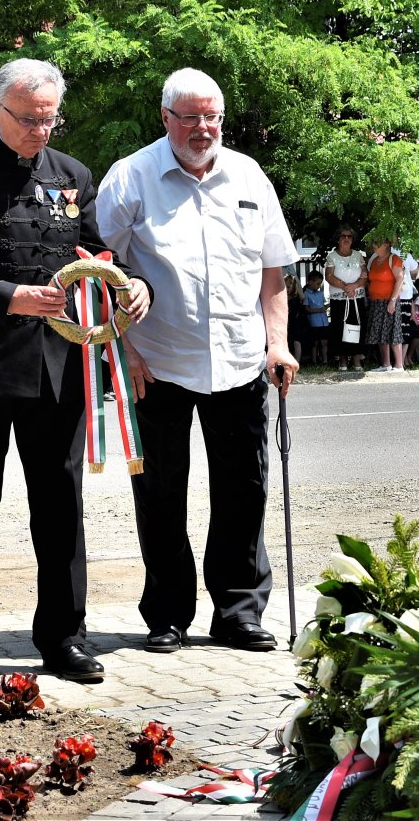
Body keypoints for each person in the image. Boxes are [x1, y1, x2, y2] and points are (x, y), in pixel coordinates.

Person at [0, 57, 149, 684]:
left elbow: (100, 250)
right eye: (28, 120)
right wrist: (9, 297)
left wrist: (132, 288)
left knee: (59, 500)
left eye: (50, 120)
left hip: (57, 367)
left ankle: (63, 636)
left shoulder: (73, 174)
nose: (41, 132)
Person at [97, 67, 298, 655]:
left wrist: (277, 343)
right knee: (159, 492)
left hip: (239, 360)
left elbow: (273, 272)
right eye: (190, 117)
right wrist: (124, 349)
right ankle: (167, 613)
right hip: (154, 362)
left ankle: (238, 612)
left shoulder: (249, 175)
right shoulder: (130, 177)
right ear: (166, 119)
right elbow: (98, 267)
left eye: (212, 116)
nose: (203, 128)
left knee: (244, 490)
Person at [324, 227, 366, 373]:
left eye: (349, 236)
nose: (346, 239)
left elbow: (365, 274)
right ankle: (342, 359)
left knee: (356, 327)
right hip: (339, 299)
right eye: (343, 236)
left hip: (356, 298)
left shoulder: (358, 255)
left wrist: (354, 286)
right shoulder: (332, 257)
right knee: (339, 329)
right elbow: (328, 276)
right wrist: (345, 287)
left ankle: (356, 358)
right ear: (338, 239)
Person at [363, 235, 406, 372]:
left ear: (386, 244)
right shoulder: (374, 260)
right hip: (376, 301)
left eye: (377, 242)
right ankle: (385, 364)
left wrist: (393, 300)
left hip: (389, 300)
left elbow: (400, 279)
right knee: (380, 332)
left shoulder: (394, 259)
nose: (374, 245)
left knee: (394, 332)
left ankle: (399, 365)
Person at [299, 270, 329, 367]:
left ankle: (325, 361)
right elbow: (306, 309)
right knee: (314, 343)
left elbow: (323, 304)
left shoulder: (320, 293)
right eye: (317, 283)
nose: (319, 286)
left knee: (325, 341)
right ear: (310, 282)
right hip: (313, 322)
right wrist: (320, 310)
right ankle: (314, 361)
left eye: (320, 284)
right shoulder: (306, 294)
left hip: (323, 321)